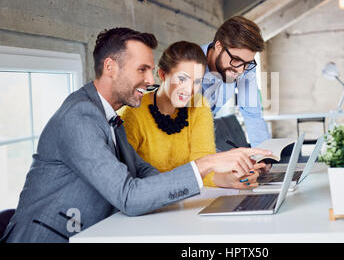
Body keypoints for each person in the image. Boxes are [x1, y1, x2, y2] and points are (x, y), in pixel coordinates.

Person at [1, 28, 271, 243]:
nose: (149, 79)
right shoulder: (80, 117)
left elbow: (144, 173)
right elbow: (129, 196)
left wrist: (209, 187)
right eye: (141, 70)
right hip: (51, 237)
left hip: (97, 233)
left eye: (151, 70)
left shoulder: (110, 115)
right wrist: (208, 164)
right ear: (110, 67)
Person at [119, 41, 265, 189]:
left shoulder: (199, 106)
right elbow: (130, 180)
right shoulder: (133, 113)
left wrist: (229, 180)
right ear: (163, 74)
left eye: (197, 82)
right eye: (182, 79)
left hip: (187, 198)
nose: (189, 90)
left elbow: (204, 166)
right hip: (152, 201)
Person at [201, 16, 270, 148]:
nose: (240, 70)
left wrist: (263, 155)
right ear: (219, 46)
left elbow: (252, 112)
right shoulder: (188, 64)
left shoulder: (245, 68)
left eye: (247, 63)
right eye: (236, 60)